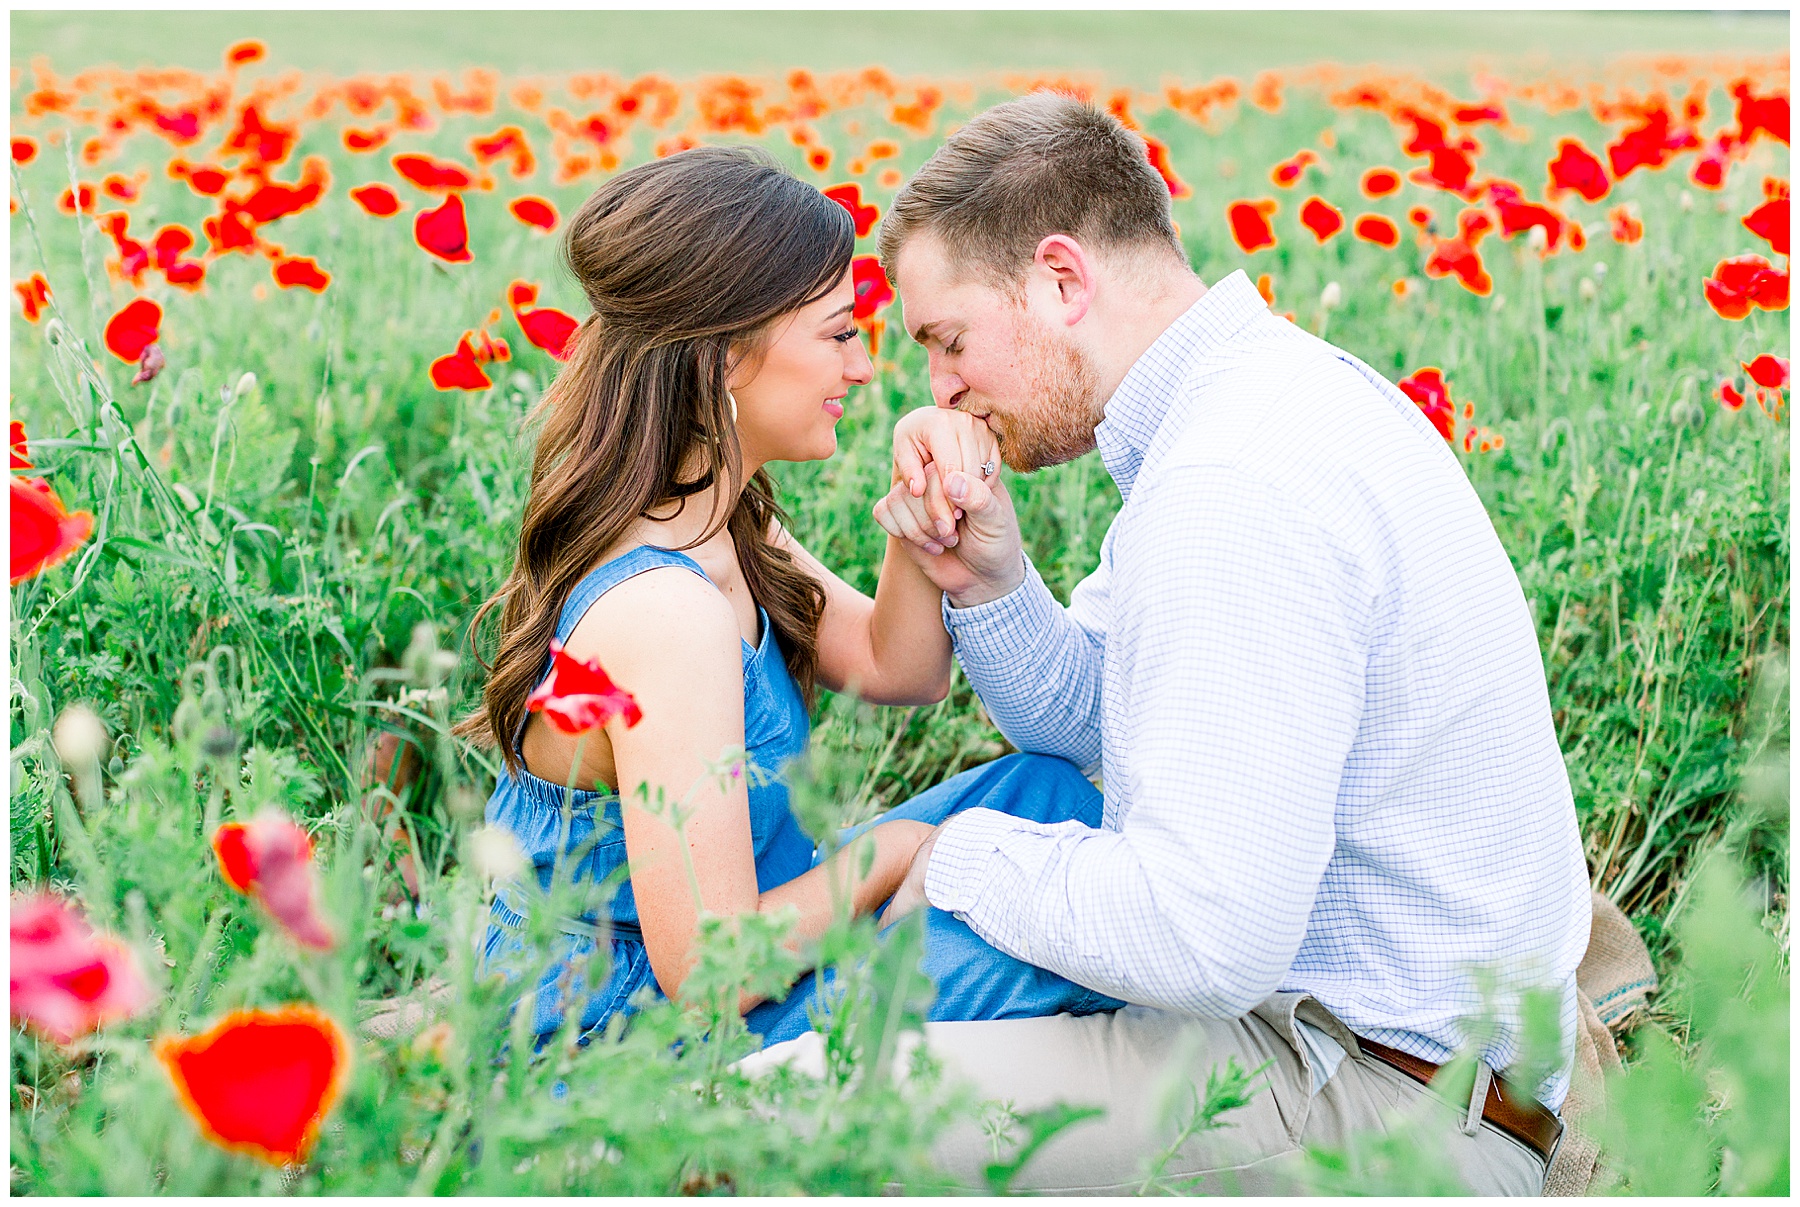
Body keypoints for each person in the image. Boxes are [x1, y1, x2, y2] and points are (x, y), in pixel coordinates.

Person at [859, 92, 1591, 1193]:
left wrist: (947, 852)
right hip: (1393, 1059)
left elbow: (1203, 940)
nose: (940, 387)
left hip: (1384, 1107)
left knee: (788, 1112)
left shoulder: (1231, 481)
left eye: (947, 340)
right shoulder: (1255, 403)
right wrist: (991, 578)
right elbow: (1096, 713)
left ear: (1062, 279)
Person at [454, 146, 1120, 1048]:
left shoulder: (719, 523)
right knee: (1038, 933)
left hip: (738, 950)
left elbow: (903, 667)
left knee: (1042, 797)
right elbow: (710, 970)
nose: (863, 369)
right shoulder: (666, 612)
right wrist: (896, 856)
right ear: (729, 354)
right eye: (841, 335)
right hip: (625, 1031)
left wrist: (918, 505)